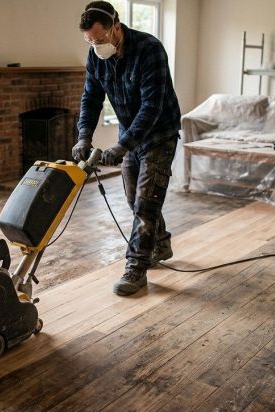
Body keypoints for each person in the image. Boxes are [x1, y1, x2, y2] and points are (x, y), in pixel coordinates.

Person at [72, 1, 181, 296]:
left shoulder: (149, 50)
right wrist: (84, 136)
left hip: (159, 134)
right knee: (135, 199)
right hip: (130, 135)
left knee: (146, 204)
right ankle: (160, 243)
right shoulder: (96, 57)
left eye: (101, 39)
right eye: (90, 41)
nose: (96, 46)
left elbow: (151, 106)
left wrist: (121, 146)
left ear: (116, 27)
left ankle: (136, 268)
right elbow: (91, 99)